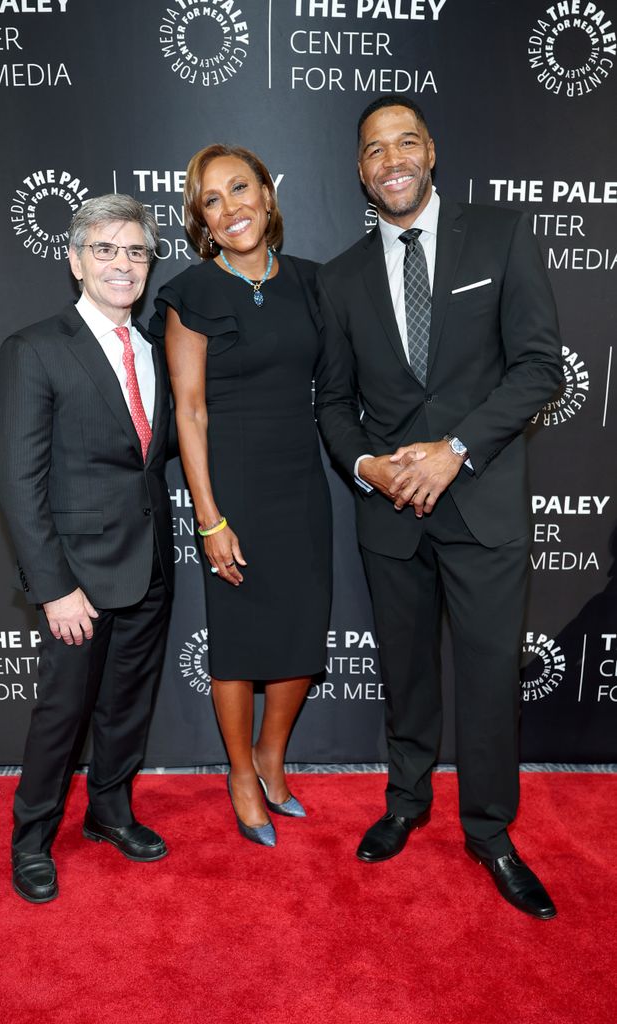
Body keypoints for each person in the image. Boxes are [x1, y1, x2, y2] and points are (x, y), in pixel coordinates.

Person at [315, 96, 563, 918]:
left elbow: (538, 367)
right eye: (374, 149)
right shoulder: (340, 277)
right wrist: (368, 467)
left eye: (406, 142)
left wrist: (455, 450)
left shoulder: (500, 235)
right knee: (406, 672)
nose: (392, 159)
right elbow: (334, 403)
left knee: (489, 678)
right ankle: (406, 801)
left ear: (431, 152)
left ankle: (490, 831)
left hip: (482, 501)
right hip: (390, 514)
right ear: (361, 170)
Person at [0, 194, 175, 903]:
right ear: (75, 261)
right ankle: (31, 840)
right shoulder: (37, 348)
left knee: (127, 705)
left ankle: (110, 812)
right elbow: (19, 481)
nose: (121, 264)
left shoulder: (155, 349)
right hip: (78, 579)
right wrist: (54, 588)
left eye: (135, 251)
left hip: (150, 563)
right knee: (62, 715)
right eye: (104, 249)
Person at [151, 144, 331, 847]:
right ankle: (238, 773)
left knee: (301, 631)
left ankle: (270, 757)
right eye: (212, 200)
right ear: (201, 219)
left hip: (301, 482)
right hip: (232, 488)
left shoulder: (312, 282)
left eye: (240, 188)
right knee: (237, 639)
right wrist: (209, 517)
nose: (231, 208)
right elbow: (189, 411)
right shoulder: (191, 293)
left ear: (266, 193)